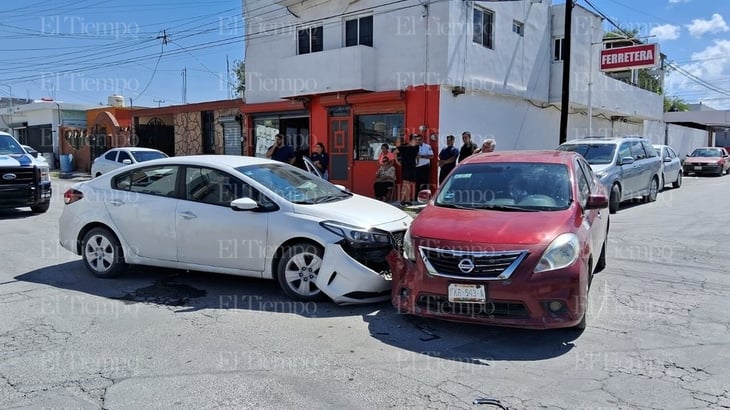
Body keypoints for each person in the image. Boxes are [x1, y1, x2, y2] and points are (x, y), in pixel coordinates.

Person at [394, 135, 420, 205]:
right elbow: (395, 152)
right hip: (405, 167)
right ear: (412, 140)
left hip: (412, 167)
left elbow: (417, 154)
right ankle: (407, 200)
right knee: (407, 183)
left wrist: (418, 161)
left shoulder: (417, 147)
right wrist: (397, 161)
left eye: (418, 140)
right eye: (416, 139)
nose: (417, 141)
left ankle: (402, 199)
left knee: (406, 184)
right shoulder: (404, 147)